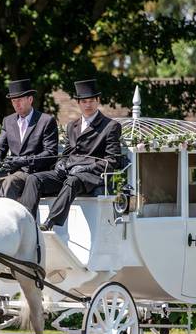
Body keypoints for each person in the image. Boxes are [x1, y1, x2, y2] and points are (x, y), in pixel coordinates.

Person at [18, 78, 122, 231]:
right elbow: (66, 154)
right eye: (84, 101)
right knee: (34, 179)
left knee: (73, 181)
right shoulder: (72, 126)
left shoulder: (110, 126)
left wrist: (86, 169)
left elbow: (112, 161)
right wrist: (61, 163)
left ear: (98, 101)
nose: (88, 105)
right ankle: (27, 222)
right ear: (79, 103)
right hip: (69, 172)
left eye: (91, 101)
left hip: (91, 176)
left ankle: (50, 222)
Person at [0, 78, 58, 199]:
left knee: (9, 182)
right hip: (11, 171)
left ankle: (6, 217)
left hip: (33, 172)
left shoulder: (45, 121)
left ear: (30, 99)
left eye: (20, 100)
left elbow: (50, 153)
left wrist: (24, 160)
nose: (16, 104)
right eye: (14, 101)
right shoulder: (8, 121)